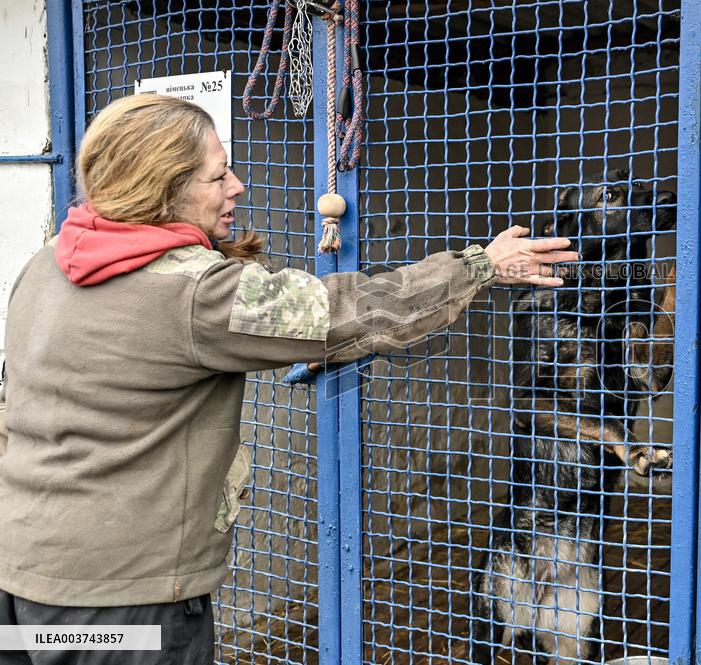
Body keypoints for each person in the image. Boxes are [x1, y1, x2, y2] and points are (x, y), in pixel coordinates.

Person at [0, 93, 576, 665]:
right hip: (120, 606)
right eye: (217, 175)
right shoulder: (192, 292)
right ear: (164, 188)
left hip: (21, 578)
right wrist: (479, 266)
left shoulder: (47, 263)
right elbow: (350, 310)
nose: (237, 186)